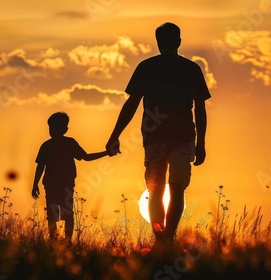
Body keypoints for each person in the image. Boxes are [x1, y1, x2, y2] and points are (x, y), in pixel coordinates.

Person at [106, 22, 211, 249]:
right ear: (179, 41)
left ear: (158, 42)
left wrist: (115, 135)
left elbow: (131, 104)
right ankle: (167, 239)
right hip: (181, 137)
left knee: (157, 190)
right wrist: (201, 143)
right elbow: (200, 109)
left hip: (159, 137)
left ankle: (163, 240)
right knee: (175, 188)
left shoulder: (147, 67)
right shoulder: (190, 69)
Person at [32, 112, 111, 241]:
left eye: (55, 127)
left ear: (65, 129)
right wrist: (34, 184)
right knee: (52, 215)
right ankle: (54, 241)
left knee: (67, 214)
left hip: (66, 186)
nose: (52, 131)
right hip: (51, 186)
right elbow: (40, 166)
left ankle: (68, 242)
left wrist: (106, 153)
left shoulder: (69, 144)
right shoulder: (46, 146)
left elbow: (86, 157)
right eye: (50, 128)